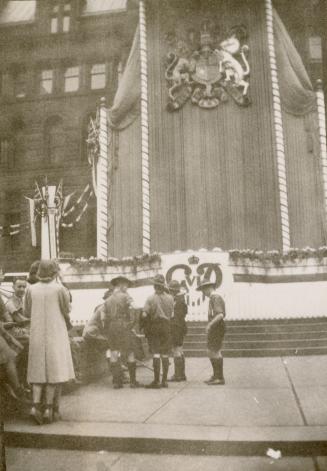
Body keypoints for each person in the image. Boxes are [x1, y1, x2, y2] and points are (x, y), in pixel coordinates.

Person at [24, 260, 75, 425]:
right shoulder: (60, 289)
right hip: (56, 332)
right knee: (54, 372)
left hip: (37, 332)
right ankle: (48, 409)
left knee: (38, 371)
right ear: (54, 273)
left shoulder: (30, 289)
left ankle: (35, 407)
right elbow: (66, 309)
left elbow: (27, 311)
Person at [103, 276, 140, 389]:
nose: (127, 288)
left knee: (114, 352)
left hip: (112, 327)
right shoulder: (126, 296)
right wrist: (132, 323)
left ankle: (117, 382)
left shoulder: (107, 300)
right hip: (124, 326)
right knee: (130, 352)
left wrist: (108, 329)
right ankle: (133, 382)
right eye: (127, 285)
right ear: (121, 285)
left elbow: (103, 317)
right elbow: (135, 308)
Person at [142, 274, 174, 389]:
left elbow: (144, 314)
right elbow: (171, 314)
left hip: (155, 326)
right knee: (165, 354)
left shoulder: (150, 298)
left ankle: (156, 381)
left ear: (155, 286)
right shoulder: (170, 298)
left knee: (156, 353)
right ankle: (164, 381)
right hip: (166, 326)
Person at [196, 277, 226, 385]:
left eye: (203, 289)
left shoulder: (216, 298)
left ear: (209, 288)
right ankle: (215, 375)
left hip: (217, 326)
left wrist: (210, 325)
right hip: (215, 327)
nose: (203, 292)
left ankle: (219, 377)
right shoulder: (212, 298)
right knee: (211, 351)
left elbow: (220, 314)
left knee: (215, 351)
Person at [168, 280, 187, 382]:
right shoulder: (181, 300)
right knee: (180, 349)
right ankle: (182, 374)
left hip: (176, 328)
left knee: (176, 350)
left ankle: (177, 375)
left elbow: (175, 317)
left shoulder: (177, 302)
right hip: (181, 328)